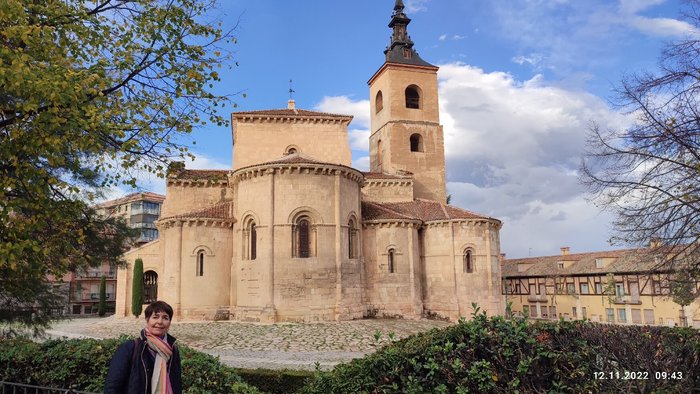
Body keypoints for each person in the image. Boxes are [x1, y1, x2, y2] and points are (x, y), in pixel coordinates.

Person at [104, 301, 182, 394]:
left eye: (165, 318)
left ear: (169, 323)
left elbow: (176, 384)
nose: (160, 322)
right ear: (147, 319)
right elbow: (112, 386)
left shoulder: (172, 350)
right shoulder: (130, 348)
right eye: (155, 317)